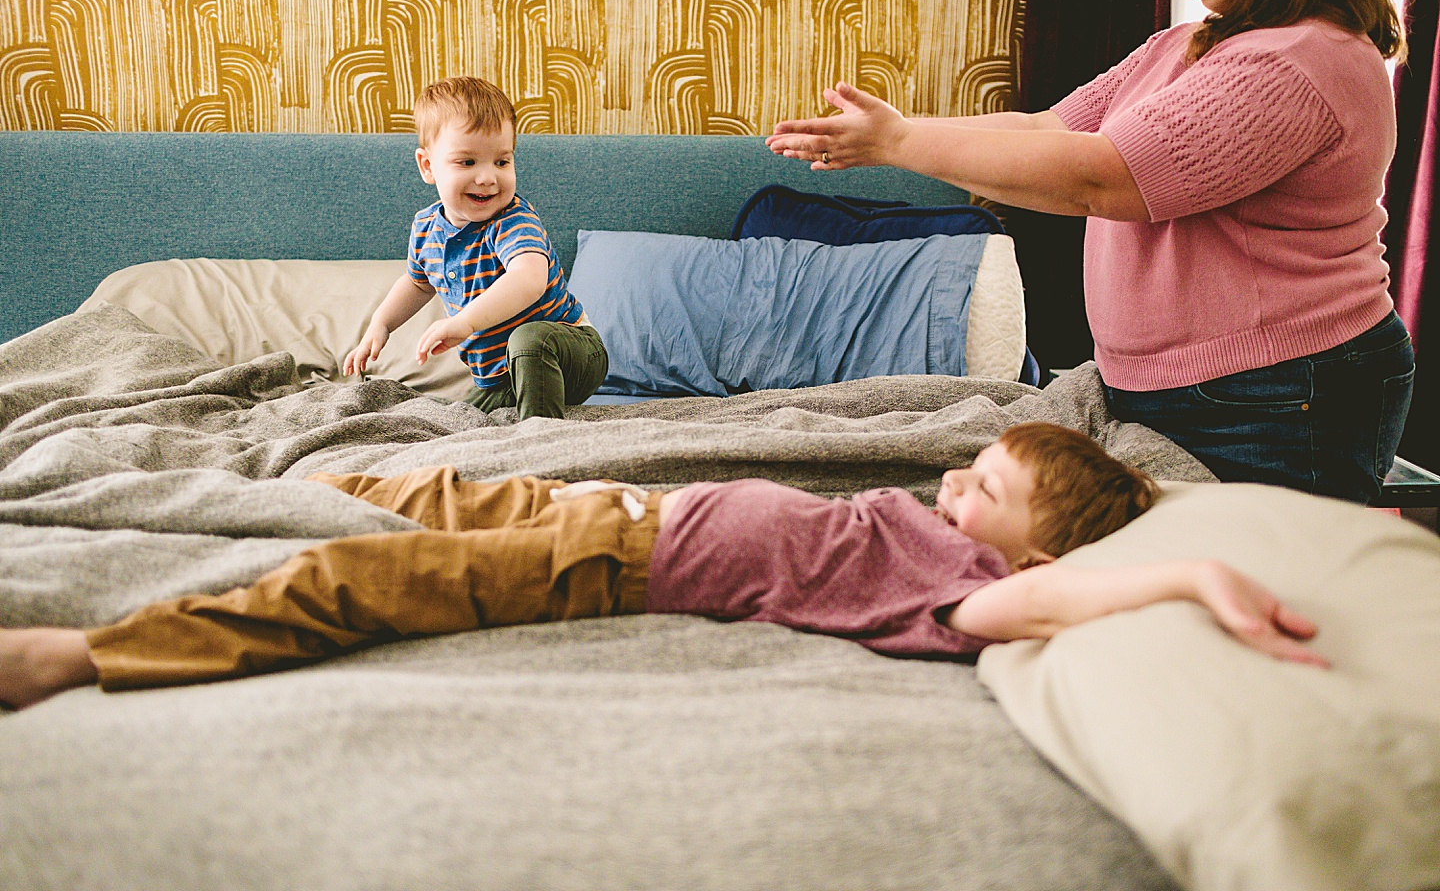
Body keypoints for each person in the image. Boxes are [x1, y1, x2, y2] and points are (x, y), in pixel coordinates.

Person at [0, 423, 1328, 710]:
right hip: (620, 504)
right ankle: (230, 489)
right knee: (379, 486)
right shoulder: (942, 536)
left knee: (366, 577)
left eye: (984, 490)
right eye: (966, 461)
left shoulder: (964, 591)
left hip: (619, 563)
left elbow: (1044, 598)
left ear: (1027, 544)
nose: (951, 482)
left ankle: (85, 650)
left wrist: (1181, 579)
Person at [766, 0, 1414, 505]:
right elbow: (1044, 128)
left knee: (1255, 600)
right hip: (1176, 391)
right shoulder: (1182, 46)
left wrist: (898, 145)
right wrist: (899, 131)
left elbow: (1102, 177)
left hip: (1275, 398)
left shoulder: (1301, 60)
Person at [343, 76, 608, 420]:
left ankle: (542, 435)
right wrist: (381, 324)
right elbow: (417, 283)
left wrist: (465, 323)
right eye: (467, 162)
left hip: (570, 352)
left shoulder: (513, 220)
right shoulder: (426, 229)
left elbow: (529, 280)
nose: (487, 178)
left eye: (501, 161)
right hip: (499, 377)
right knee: (457, 421)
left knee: (529, 340)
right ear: (428, 166)